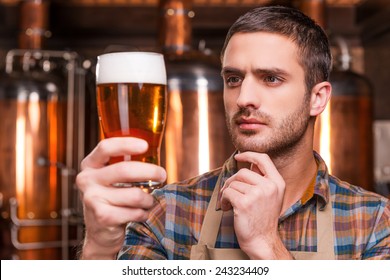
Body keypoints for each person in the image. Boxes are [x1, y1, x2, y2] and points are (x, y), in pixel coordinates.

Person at [76, 6, 390, 260]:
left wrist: (267, 245)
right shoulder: (166, 212)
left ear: (317, 98)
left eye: (270, 78)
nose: (243, 99)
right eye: (234, 79)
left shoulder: (374, 221)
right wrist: (99, 249)